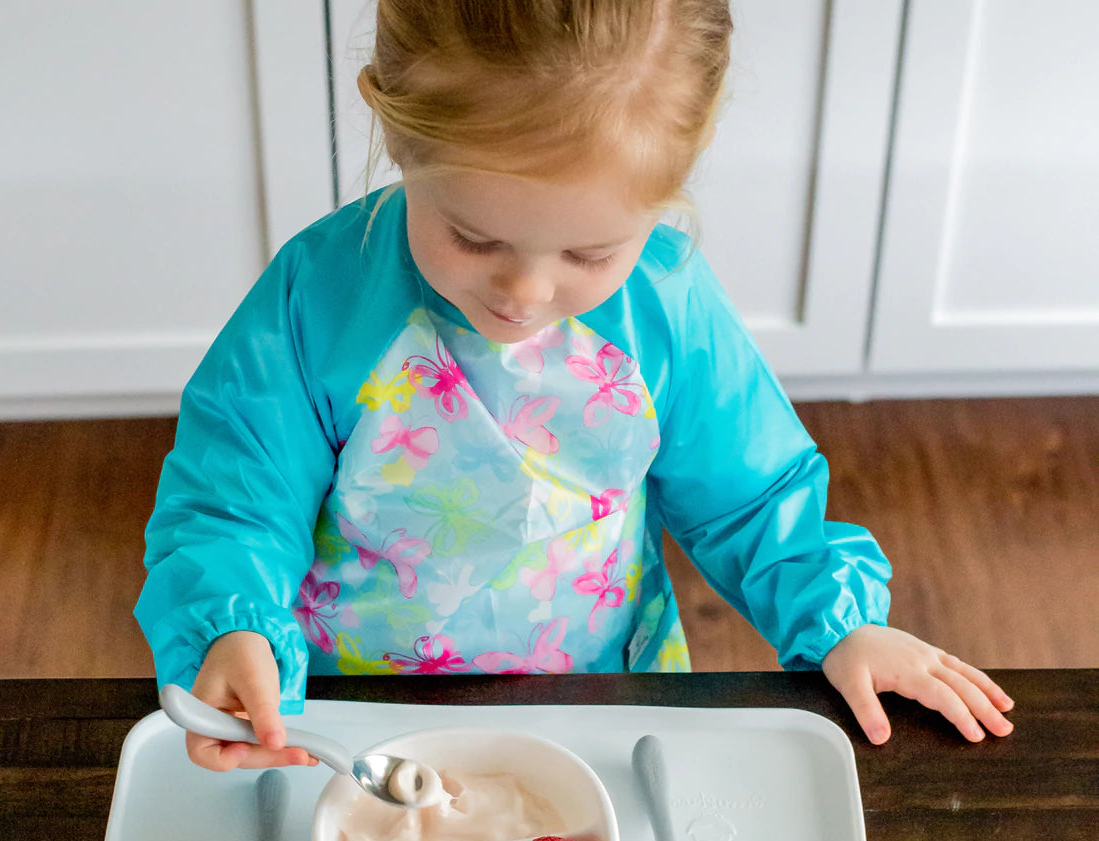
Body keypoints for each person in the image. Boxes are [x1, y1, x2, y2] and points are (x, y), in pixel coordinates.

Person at [137, 0, 1013, 775]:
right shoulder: (316, 299)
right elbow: (233, 503)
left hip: (603, 697)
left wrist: (840, 622)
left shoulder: (663, 305)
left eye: (589, 255)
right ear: (395, 131)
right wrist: (230, 624)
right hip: (350, 720)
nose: (522, 293)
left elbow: (750, 499)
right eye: (472, 237)